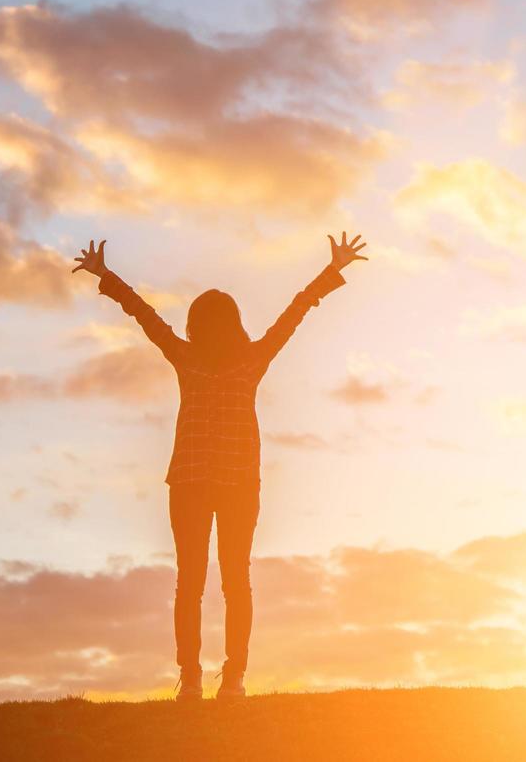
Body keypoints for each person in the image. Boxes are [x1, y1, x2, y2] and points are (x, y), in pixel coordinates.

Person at [71, 233, 367, 701]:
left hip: (201, 483)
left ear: (195, 325)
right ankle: (225, 679)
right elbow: (294, 313)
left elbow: (147, 318)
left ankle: (200, 679)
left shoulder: (193, 358)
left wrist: (108, 277)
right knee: (230, 583)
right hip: (226, 484)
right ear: (234, 323)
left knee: (195, 583)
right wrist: (331, 271)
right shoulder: (244, 359)